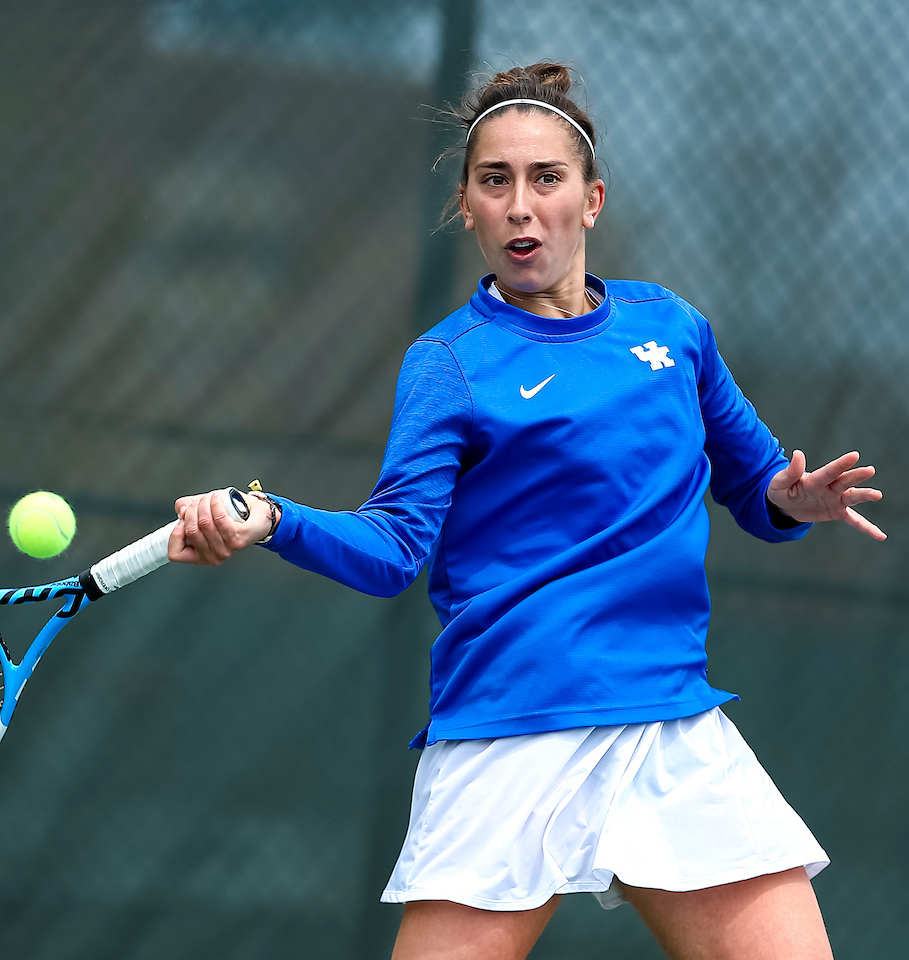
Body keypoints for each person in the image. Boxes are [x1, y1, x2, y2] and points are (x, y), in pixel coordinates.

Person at [168, 62, 884, 960]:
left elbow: (755, 481)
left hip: (669, 720)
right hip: (511, 727)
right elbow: (393, 547)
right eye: (494, 181)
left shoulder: (672, 329)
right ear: (466, 208)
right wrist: (274, 518)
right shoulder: (450, 364)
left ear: (591, 200)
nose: (520, 206)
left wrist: (790, 496)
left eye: (546, 179)